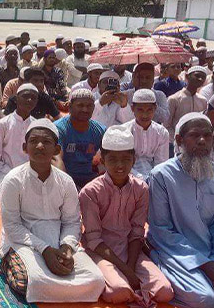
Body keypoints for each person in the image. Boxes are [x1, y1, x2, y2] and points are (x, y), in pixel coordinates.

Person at [0, 118, 105, 303]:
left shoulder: (65, 181)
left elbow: (72, 221)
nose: (39, 146)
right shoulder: (13, 180)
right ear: (25, 147)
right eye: (34, 141)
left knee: (95, 280)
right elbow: (12, 227)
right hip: (25, 243)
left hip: (58, 241)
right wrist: (45, 250)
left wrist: (66, 248)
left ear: (57, 150)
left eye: (46, 142)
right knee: (32, 282)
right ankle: (8, 260)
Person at [78, 126, 174, 305]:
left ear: (134, 160)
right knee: (118, 292)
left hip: (131, 250)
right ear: (103, 161)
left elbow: (137, 232)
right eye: (113, 159)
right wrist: (128, 272)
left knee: (165, 291)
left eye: (125, 159)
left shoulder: (141, 189)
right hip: (100, 252)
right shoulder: (90, 192)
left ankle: (132, 288)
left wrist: (130, 266)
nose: (120, 165)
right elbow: (94, 240)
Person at [147, 113, 214, 308]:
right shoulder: (161, 176)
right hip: (174, 254)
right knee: (206, 300)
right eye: (195, 135)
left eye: (207, 135)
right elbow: (161, 230)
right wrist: (205, 264)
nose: (202, 141)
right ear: (179, 140)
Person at [55, 89, 106, 189]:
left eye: (89, 106)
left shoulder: (100, 130)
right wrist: (68, 187)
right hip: (64, 177)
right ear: (70, 107)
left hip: (89, 178)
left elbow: (110, 157)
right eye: (80, 105)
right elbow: (56, 160)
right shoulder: (59, 129)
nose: (85, 109)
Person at [0, 83, 38, 186]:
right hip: (5, 174)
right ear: (16, 99)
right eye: (25, 96)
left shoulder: (37, 126)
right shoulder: (2, 124)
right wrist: (13, 173)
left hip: (30, 175)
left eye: (33, 98)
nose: (29, 100)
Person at [121, 89, 169, 179]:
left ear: (155, 109)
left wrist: (154, 180)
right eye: (140, 110)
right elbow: (123, 162)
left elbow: (161, 164)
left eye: (149, 110)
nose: (144, 115)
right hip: (128, 176)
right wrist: (142, 178)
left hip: (154, 177)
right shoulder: (124, 131)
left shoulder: (162, 133)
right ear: (132, 109)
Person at [165, 65, 208, 140]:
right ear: (187, 76)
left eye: (203, 77)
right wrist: (178, 140)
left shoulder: (203, 100)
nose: (200, 79)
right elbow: (166, 125)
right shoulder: (174, 99)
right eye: (197, 76)